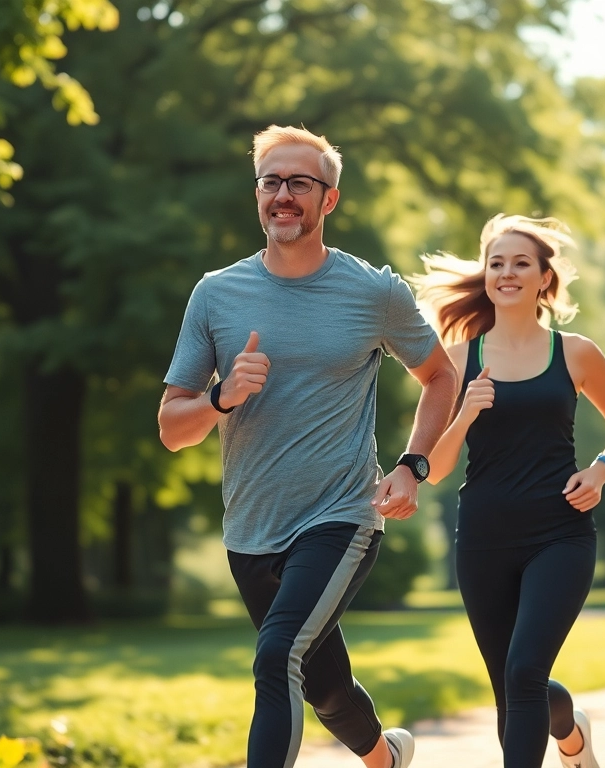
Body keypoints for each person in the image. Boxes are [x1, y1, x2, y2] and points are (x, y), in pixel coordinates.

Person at [158, 125, 458, 768]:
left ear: (330, 199)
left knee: (277, 657)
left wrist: (412, 466)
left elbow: (441, 376)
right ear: (257, 194)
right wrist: (220, 397)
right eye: (271, 182)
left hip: (340, 516)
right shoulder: (216, 294)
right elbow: (172, 428)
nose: (283, 195)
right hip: (250, 528)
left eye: (300, 183)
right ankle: (386, 759)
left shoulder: (373, 291)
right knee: (325, 687)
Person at [414, 214, 605, 768]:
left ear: (545, 278)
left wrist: (601, 469)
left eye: (521, 263)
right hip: (484, 540)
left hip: (559, 534)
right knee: (514, 688)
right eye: (496, 263)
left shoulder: (576, 353)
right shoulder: (457, 359)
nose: (507, 273)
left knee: (523, 673)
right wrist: (465, 413)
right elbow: (434, 469)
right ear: (486, 276)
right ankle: (572, 734)